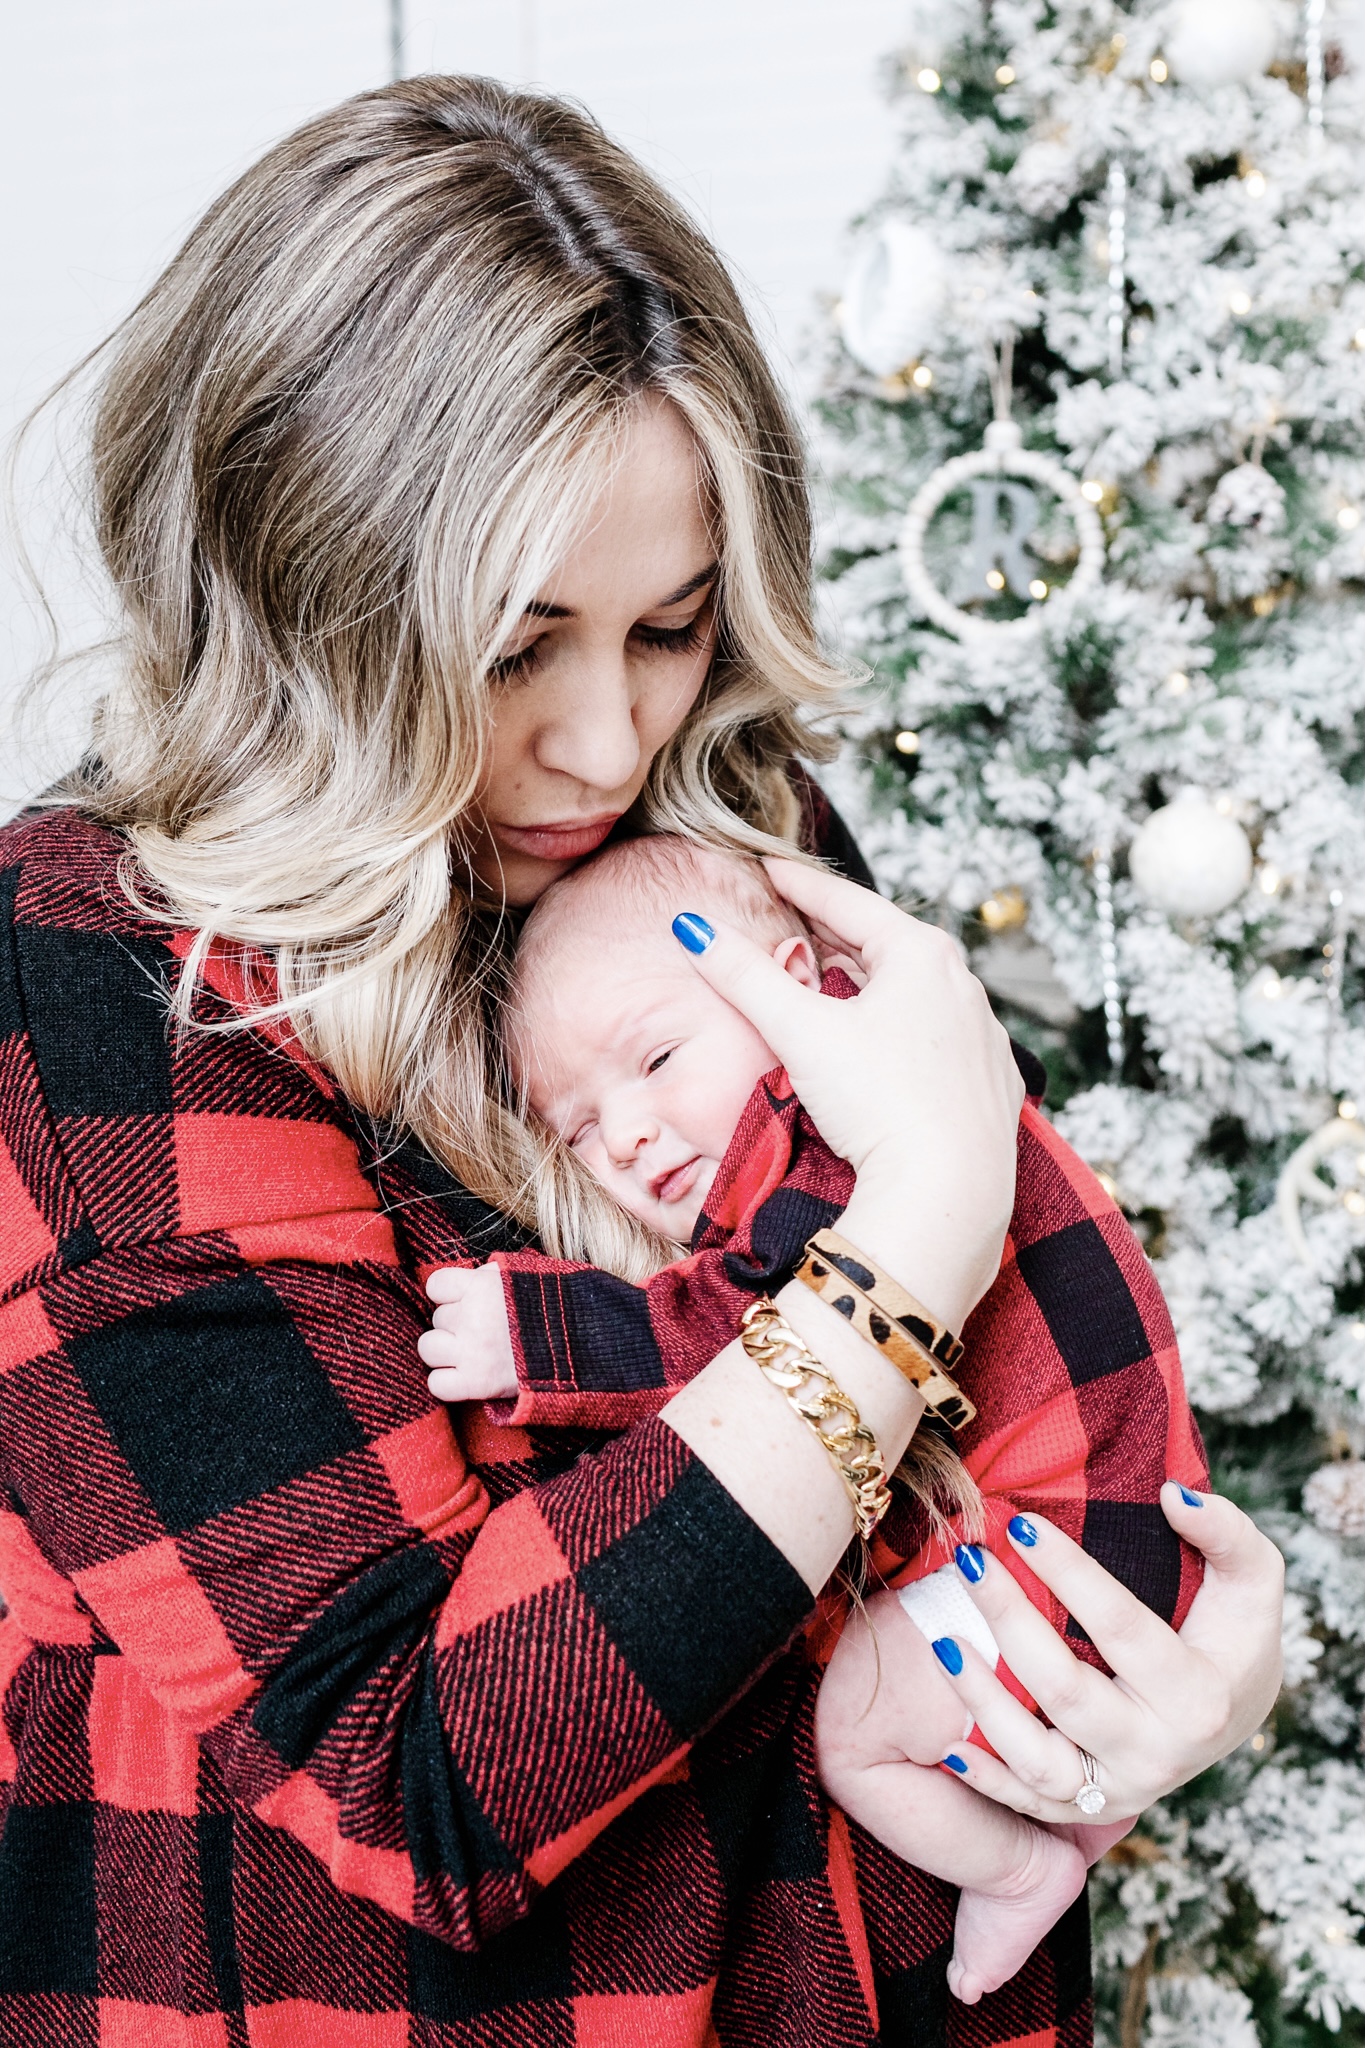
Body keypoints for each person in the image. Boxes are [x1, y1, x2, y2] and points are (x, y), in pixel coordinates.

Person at [0, 75, 1283, 2048]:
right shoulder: (92, 982)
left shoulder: (712, 835)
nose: (604, 747)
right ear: (301, 599)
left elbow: (1013, 1389)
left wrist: (1170, 1673)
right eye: (514, 652)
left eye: (669, 629)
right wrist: (915, 1217)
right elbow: (420, 1775)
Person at [418, 831, 1207, 2005]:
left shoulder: (845, 1123)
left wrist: (539, 1335)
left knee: (861, 1725)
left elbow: (753, 1325)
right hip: (1103, 1519)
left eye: (657, 1054)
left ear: (790, 981)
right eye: (577, 1129)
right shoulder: (914, 1067)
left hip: (1081, 1535)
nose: (625, 1133)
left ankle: (1022, 1868)